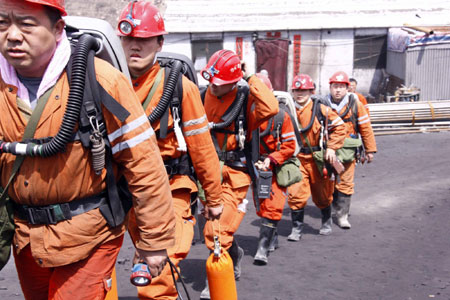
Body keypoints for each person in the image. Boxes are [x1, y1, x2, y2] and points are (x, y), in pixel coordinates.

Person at [0, 0, 175, 299]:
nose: (13, 35)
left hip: (89, 235)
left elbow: (143, 162)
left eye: (27, 24)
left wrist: (154, 242)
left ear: (57, 29)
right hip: (26, 237)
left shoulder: (101, 80)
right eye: (3, 23)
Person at [116, 2, 223, 300]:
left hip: (169, 187)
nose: (135, 46)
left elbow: (202, 148)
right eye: (129, 39)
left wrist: (213, 198)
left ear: (159, 42)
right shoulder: (105, 82)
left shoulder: (179, 87)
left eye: (144, 39)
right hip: (119, 191)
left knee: (158, 266)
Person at [199, 50, 279, 299]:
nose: (215, 87)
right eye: (212, 81)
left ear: (234, 82)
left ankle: (216, 277)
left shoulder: (245, 101)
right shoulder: (201, 96)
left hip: (235, 174)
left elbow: (271, 107)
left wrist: (250, 76)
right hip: (208, 173)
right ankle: (234, 255)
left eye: (221, 83)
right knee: (214, 227)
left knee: (217, 231)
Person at [287, 74, 346, 238]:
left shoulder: (321, 110)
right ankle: (296, 228)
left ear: (310, 91)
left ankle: (326, 221)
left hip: (317, 160)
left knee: (322, 194)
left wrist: (332, 148)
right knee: (296, 193)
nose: (300, 94)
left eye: (304, 90)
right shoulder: (288, 110)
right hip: (297, 159)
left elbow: (341, 128)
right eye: (297, 90)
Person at [252, 73, 296, 265]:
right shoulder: (246, 115)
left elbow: (289, 146)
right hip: (254, 167)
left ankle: (262, 249)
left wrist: (272, 159)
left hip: (275, 167)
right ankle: (272, 236)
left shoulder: (281, 116)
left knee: (273, 205)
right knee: (261, 207)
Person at [325, 71, 377, 229]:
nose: (338, 90)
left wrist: (369, 150)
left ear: (347, 88)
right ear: (330, 87)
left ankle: (342, 215)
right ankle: (330, 209)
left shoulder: (356, 104)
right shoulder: (322, 104)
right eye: (335, 86)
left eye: (341, 87)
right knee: (328, 182)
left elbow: (365, 128)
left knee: (346, 182)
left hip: (348, 150)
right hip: (328, 151)